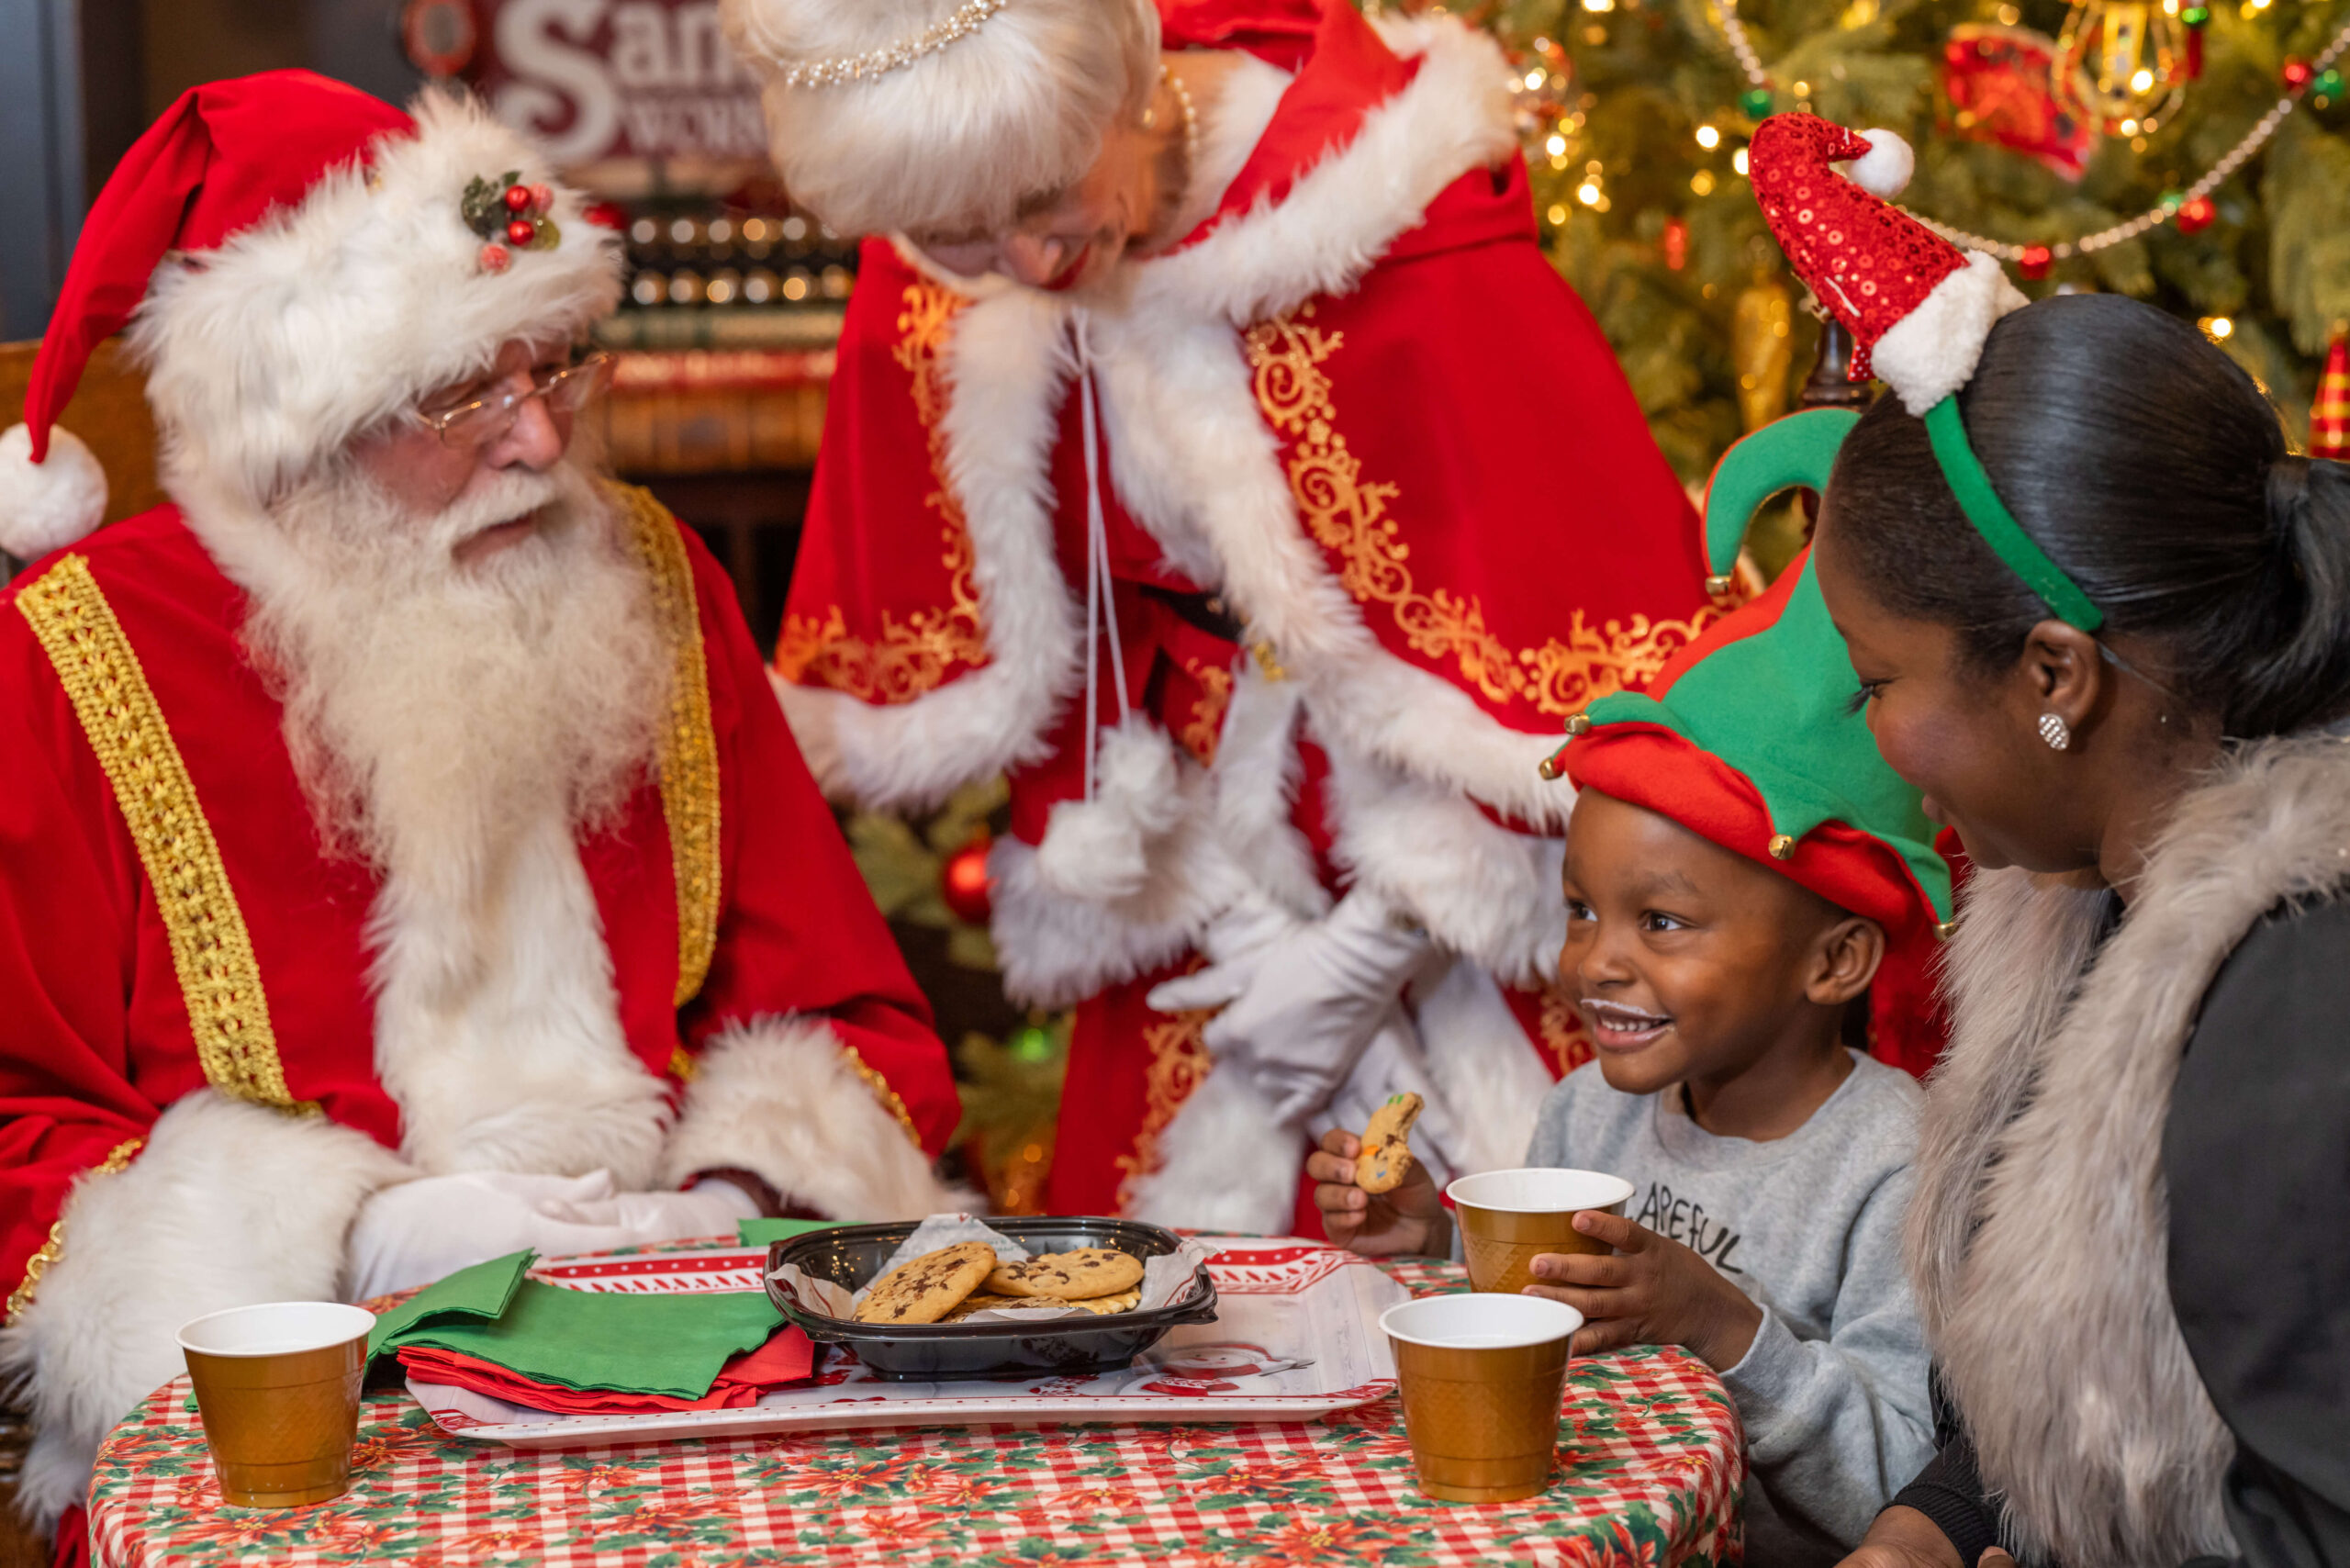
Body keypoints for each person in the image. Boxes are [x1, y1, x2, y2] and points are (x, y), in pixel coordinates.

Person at [0, 72, 962, 1544]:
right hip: (306, 1399)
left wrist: (731, 1192)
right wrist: (362, 1234)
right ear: (291, 442)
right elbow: (16, 1127)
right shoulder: (75, 657)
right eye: (462, 394)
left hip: (704, 1343)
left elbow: (847, 1013)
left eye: (557, 366)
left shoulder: (646, 577)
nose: (538, 443)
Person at [723, 0, 1727, 1233]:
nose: (1030, 265)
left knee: (1520, 1255)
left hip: (1446, 877)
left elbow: (1561, 661)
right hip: (1185, 872)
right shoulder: (939, 239)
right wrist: (1234, 920)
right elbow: (1036, 646)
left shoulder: (1383, 210)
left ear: (1131, 89)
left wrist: (1367, 949)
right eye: (957, 238)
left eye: (1046, 199)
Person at [1745, 114, 2350, 1568]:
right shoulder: (2093, 900)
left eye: (1880, 678)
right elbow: (2090, 1398)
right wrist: (1937, 1526)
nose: (1864, 724)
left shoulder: (2292, 1026)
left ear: (2055, 677)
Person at [1313, 414, 1953, 1564]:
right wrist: (1426, 1238)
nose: (1596, 960)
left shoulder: (1892, 1165)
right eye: (1580, 909)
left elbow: (1904, 1476)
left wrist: (1719, 1322)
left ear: (1833, 961)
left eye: (1660, 921)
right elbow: (1548, 1341)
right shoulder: (1585, 1116)